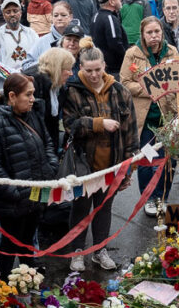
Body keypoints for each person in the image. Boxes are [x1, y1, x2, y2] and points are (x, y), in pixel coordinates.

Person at [59, 47, 137, 272]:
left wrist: (128, 168)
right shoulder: (73, 91)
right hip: (84, 165)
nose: (94, 75)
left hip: (112, 163)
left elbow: (131, 132)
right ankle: (77, 252)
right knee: (81, 209)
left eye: (98, 70)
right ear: (80, 68)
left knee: (104, 209)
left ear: (104, 66)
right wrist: (98, 123)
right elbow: (69, 126)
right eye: (89, 70)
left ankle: (100, 250)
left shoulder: (120, 91)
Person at [0, 73, 58, 277]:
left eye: (33, 94)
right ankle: (4, 281)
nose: (33, 99)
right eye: (28, 95)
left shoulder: (33, 115)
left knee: (28, 240)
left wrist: (50, 171)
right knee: (10, 242)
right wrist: (16, 193)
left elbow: (48, 144)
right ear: (12, 96)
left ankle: (28, 279)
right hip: (12, 200)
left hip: (37, 193)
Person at [121, 16, 178, 215]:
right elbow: (125, 83)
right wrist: (148, 89)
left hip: (166, 117)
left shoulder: (171, 52)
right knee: (147, 160)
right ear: (143, 35)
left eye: (157, 32)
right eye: (149, 33)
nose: (154, 36)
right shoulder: (132, 54)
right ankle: (149, 197)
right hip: (144, 119)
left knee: (168, 160)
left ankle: (162, 196)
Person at [0, 0, 48, 93]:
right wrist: (15, 76)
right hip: (4, 85)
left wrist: (28, 74)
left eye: (15, 11)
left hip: (28, 84)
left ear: (20, 12)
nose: (12, 14)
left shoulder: (31, 33)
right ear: (3, 15)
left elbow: (40, 58)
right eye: (8, 12)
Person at [92, 0, 128, 75]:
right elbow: (115, 43)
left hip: (103, 65)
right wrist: (127, 58)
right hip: (114, 68)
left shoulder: (96, 16)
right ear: (111, 2)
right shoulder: (110, 18)